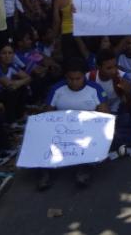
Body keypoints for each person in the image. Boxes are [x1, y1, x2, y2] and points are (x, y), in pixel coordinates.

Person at [38, 58, 111, 190]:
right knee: (42, 139)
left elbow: (104, 115)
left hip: (86, 131)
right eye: (71, 79)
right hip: (61, 131)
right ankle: (46, 173)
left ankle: (84, 170)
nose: (74, 82)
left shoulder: (95, 89)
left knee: (95, 141)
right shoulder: (56, 89)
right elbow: (46, 115)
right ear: (66, 77)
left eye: (78, 78)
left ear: (84, 76)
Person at [0, 43, 31, 124]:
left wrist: (17, 83)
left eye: (10, 53)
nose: (7, 56)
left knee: (22, 88)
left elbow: (28, 78)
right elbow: (8, 85)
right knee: (11, 92)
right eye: (4, 53)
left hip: (2, 92)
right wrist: (16, 83)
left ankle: (20, 116)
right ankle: (11, 122)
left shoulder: (11, 65)